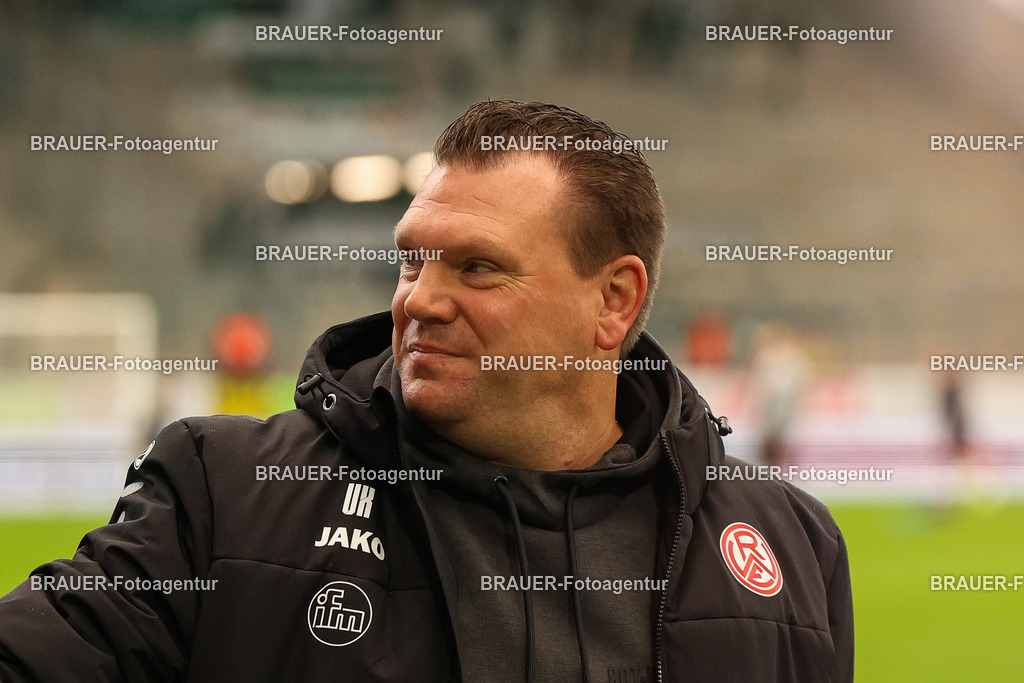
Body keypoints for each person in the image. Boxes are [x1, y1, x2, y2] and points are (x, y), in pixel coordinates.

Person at [0, 100, 853, 682]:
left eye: (477, 267)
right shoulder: (224, 493)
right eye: (413, 258)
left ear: (614, 300)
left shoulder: (790, 543)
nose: (418, 298)